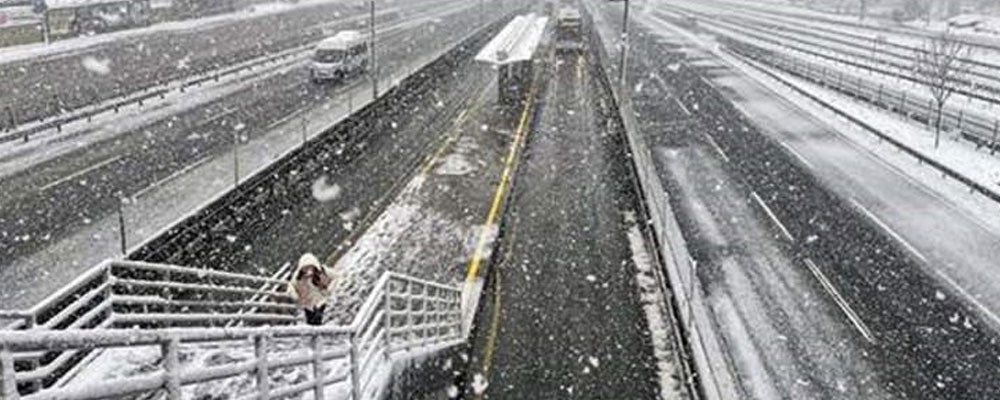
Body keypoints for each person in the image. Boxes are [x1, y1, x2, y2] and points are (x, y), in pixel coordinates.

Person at [288, 253, 332, 326]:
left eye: (310, 267)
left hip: (320, 299)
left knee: (318, 317)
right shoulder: (298, 277)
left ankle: (318, 330)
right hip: (306, 302)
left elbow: (336, 276)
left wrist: (330, 288)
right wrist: (294, 294)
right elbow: (291, 286)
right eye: (305, 268)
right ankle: (313, 332)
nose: (308, 270)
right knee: (310, 319)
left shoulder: (321, 272)